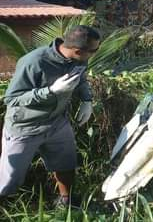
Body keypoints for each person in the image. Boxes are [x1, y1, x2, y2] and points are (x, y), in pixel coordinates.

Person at [0, 25, 100, 207]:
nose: (95, 53)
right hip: (25, 126)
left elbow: (81, 79)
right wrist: (50, 91)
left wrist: (87, 101)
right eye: (94, 51)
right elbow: (12, 99)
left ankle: (65, 201)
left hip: (56, 122)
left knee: (66, 163)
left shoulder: (79, 60)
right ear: (78, 51)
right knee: (10, 176)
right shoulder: (34, 62)